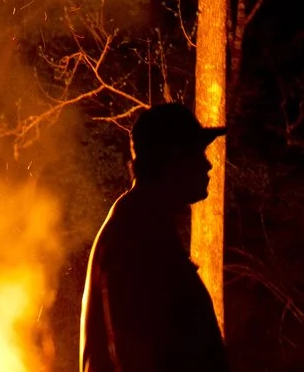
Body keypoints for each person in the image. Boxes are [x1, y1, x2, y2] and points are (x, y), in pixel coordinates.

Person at [79, 103, 230, 372]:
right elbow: (130, 353)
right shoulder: (134, 236)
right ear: (173, 159)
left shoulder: (146, 226)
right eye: (197, 153)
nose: (208, 164)